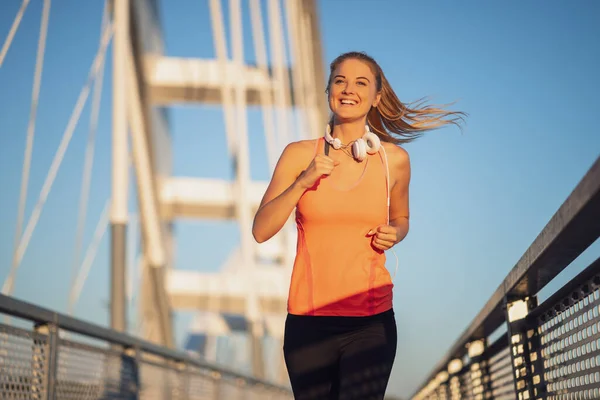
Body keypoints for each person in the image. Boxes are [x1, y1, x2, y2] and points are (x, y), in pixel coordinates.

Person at [252, 51, 465, 399]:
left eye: (361, 83)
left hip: (371, 319)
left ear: (377, 97)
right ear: (329, 91)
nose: (348, 89)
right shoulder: (298, 154)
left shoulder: (393, 161)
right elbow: (261, 230)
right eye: (340, 81)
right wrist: (303, 182)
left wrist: (395, 233)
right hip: (308, 321)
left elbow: (402, 218)